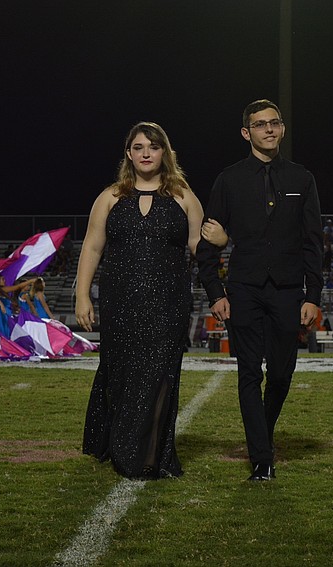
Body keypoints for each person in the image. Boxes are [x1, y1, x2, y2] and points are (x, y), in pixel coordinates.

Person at [196, 99, 324, 481]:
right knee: (249, 372)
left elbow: (313, 242)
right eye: (259, 124)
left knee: (281, 375)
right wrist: (216, 292)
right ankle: (261, 460)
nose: (268, 129)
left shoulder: (302, 178)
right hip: (244, 290)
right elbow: (207, 241)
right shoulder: (229, 179)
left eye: (274, 123)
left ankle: (262, 436)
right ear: (245, 132)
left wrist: (313, 296)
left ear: (282, 129)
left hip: (288, 290)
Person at [77, 121, 208, 480]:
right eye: (138, 147)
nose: (146, 153)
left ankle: (148, 455)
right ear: (128, 154)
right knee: (120, 374)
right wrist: (82, 295)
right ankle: (121, 445)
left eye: (153, 146)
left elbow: (197, 245)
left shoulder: (183, 196)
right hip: (119, 302)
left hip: (168, 303)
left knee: (160, 374)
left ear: (165, 152)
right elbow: (92, 247)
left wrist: (219, 240)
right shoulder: (110, 197)